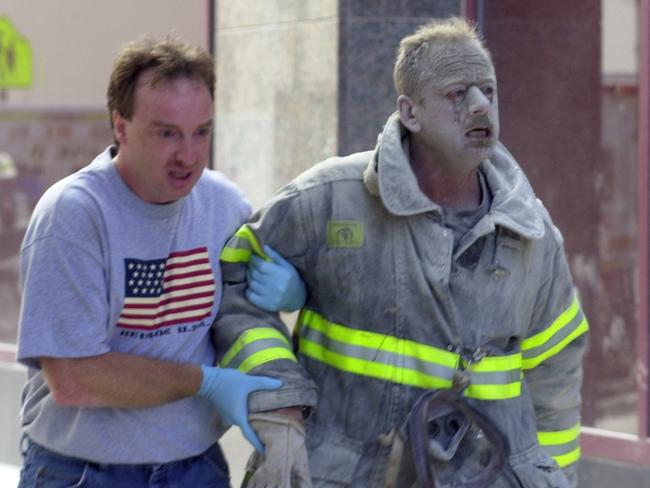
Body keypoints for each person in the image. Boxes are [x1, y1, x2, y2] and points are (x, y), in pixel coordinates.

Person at [215, 17, 588, 487]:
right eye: (457, 94)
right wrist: (279, 406)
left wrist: (550, 478)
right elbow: (234, 285)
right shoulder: (329, 201)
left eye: (488, 92)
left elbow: (555, 370)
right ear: (410, 113)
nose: (480, 106)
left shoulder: (531, 234)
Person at [16, 35, 311, 488]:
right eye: (167, 133)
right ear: (120, 126)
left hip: (196, 468)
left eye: (202, 132)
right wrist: (205, 383)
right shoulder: (74, 214)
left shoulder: (224, 206)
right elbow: (75, 379)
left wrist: (300, 291)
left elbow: (243, 321)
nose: (188, 156)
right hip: (82, 473)